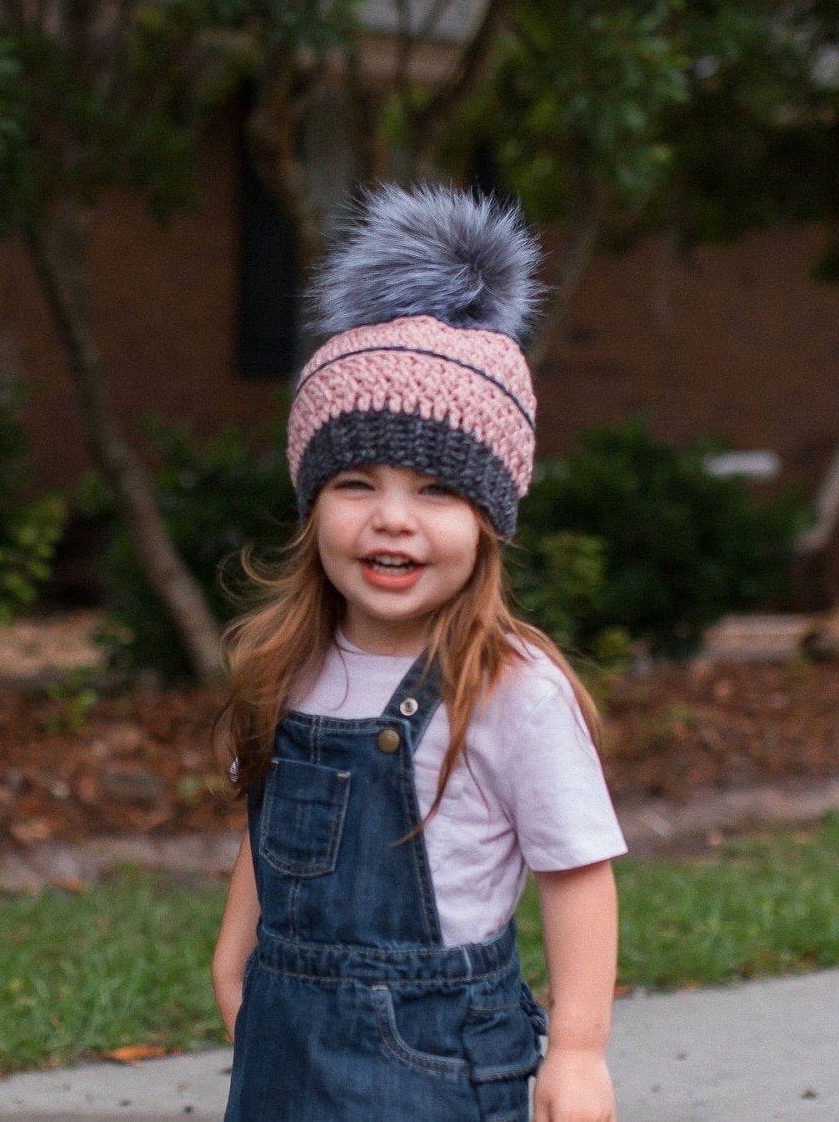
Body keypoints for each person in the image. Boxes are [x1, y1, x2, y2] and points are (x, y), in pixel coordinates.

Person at [212, 183, 627, 1122]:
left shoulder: (510, 689)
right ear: (313, 502)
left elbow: (576, 869)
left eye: (436, 490)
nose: (391, 517)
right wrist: (234, 952)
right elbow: (267, 822)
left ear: (488, 520)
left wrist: (578, 1050)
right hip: (283, 1037)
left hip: (433, 1058)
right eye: (355, 481)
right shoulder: (288, 663)